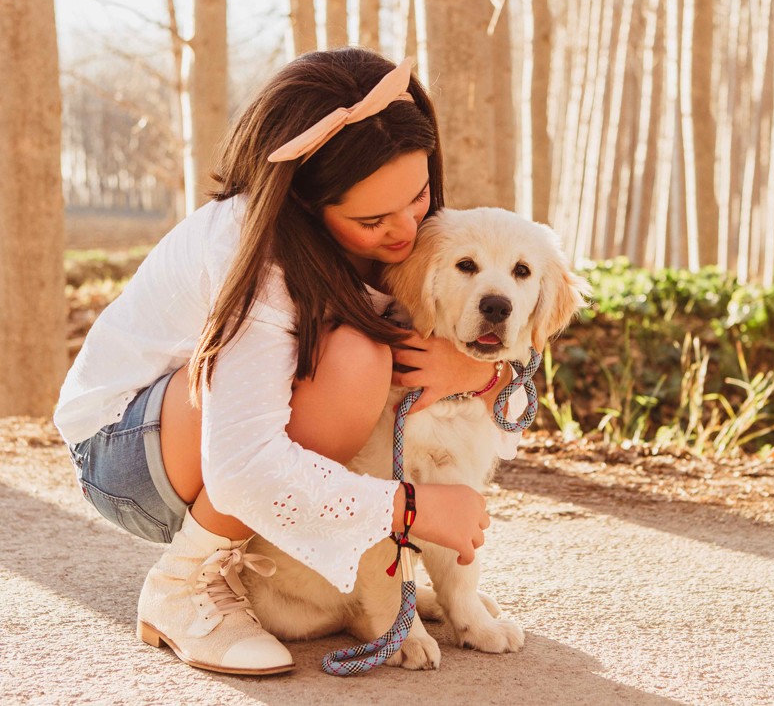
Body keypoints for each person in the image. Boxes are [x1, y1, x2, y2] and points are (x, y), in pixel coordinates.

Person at [54, 49, 516, 676]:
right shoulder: (254, 252)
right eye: (373, 219)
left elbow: (489, 341)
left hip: (207, 436)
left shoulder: (401, 227)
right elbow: (243, 466)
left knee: (356, 358)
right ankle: (185, 584)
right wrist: (413, 509)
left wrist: (479, 370)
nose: (407, 229)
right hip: (126, 453)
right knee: (351, 361)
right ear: (304, 203)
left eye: (419, 195)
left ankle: (316, 582)